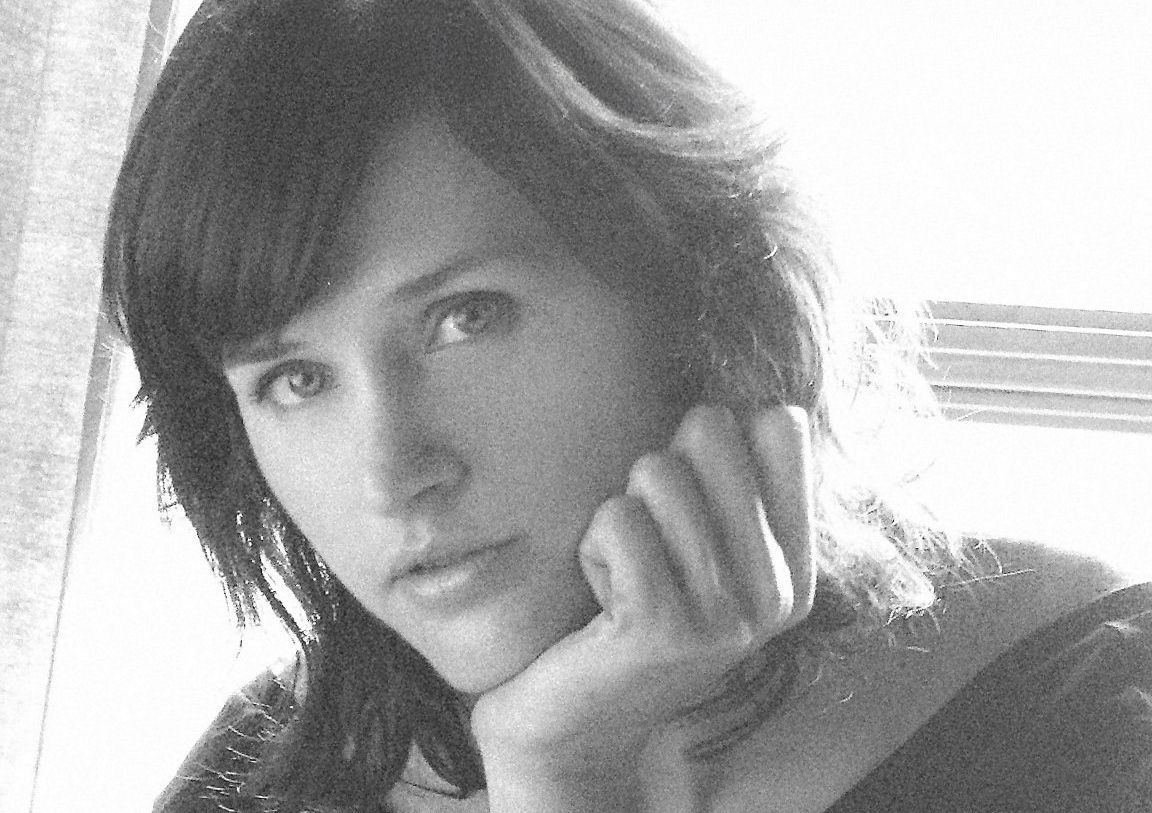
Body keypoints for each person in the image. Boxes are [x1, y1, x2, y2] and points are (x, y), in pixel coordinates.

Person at [102, 0, 1151, 810]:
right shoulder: (273, 768)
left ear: (695, 290)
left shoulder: (1093, 704)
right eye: (296, 379)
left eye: (466, 318)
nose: (393, 474)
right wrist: (558, 769)